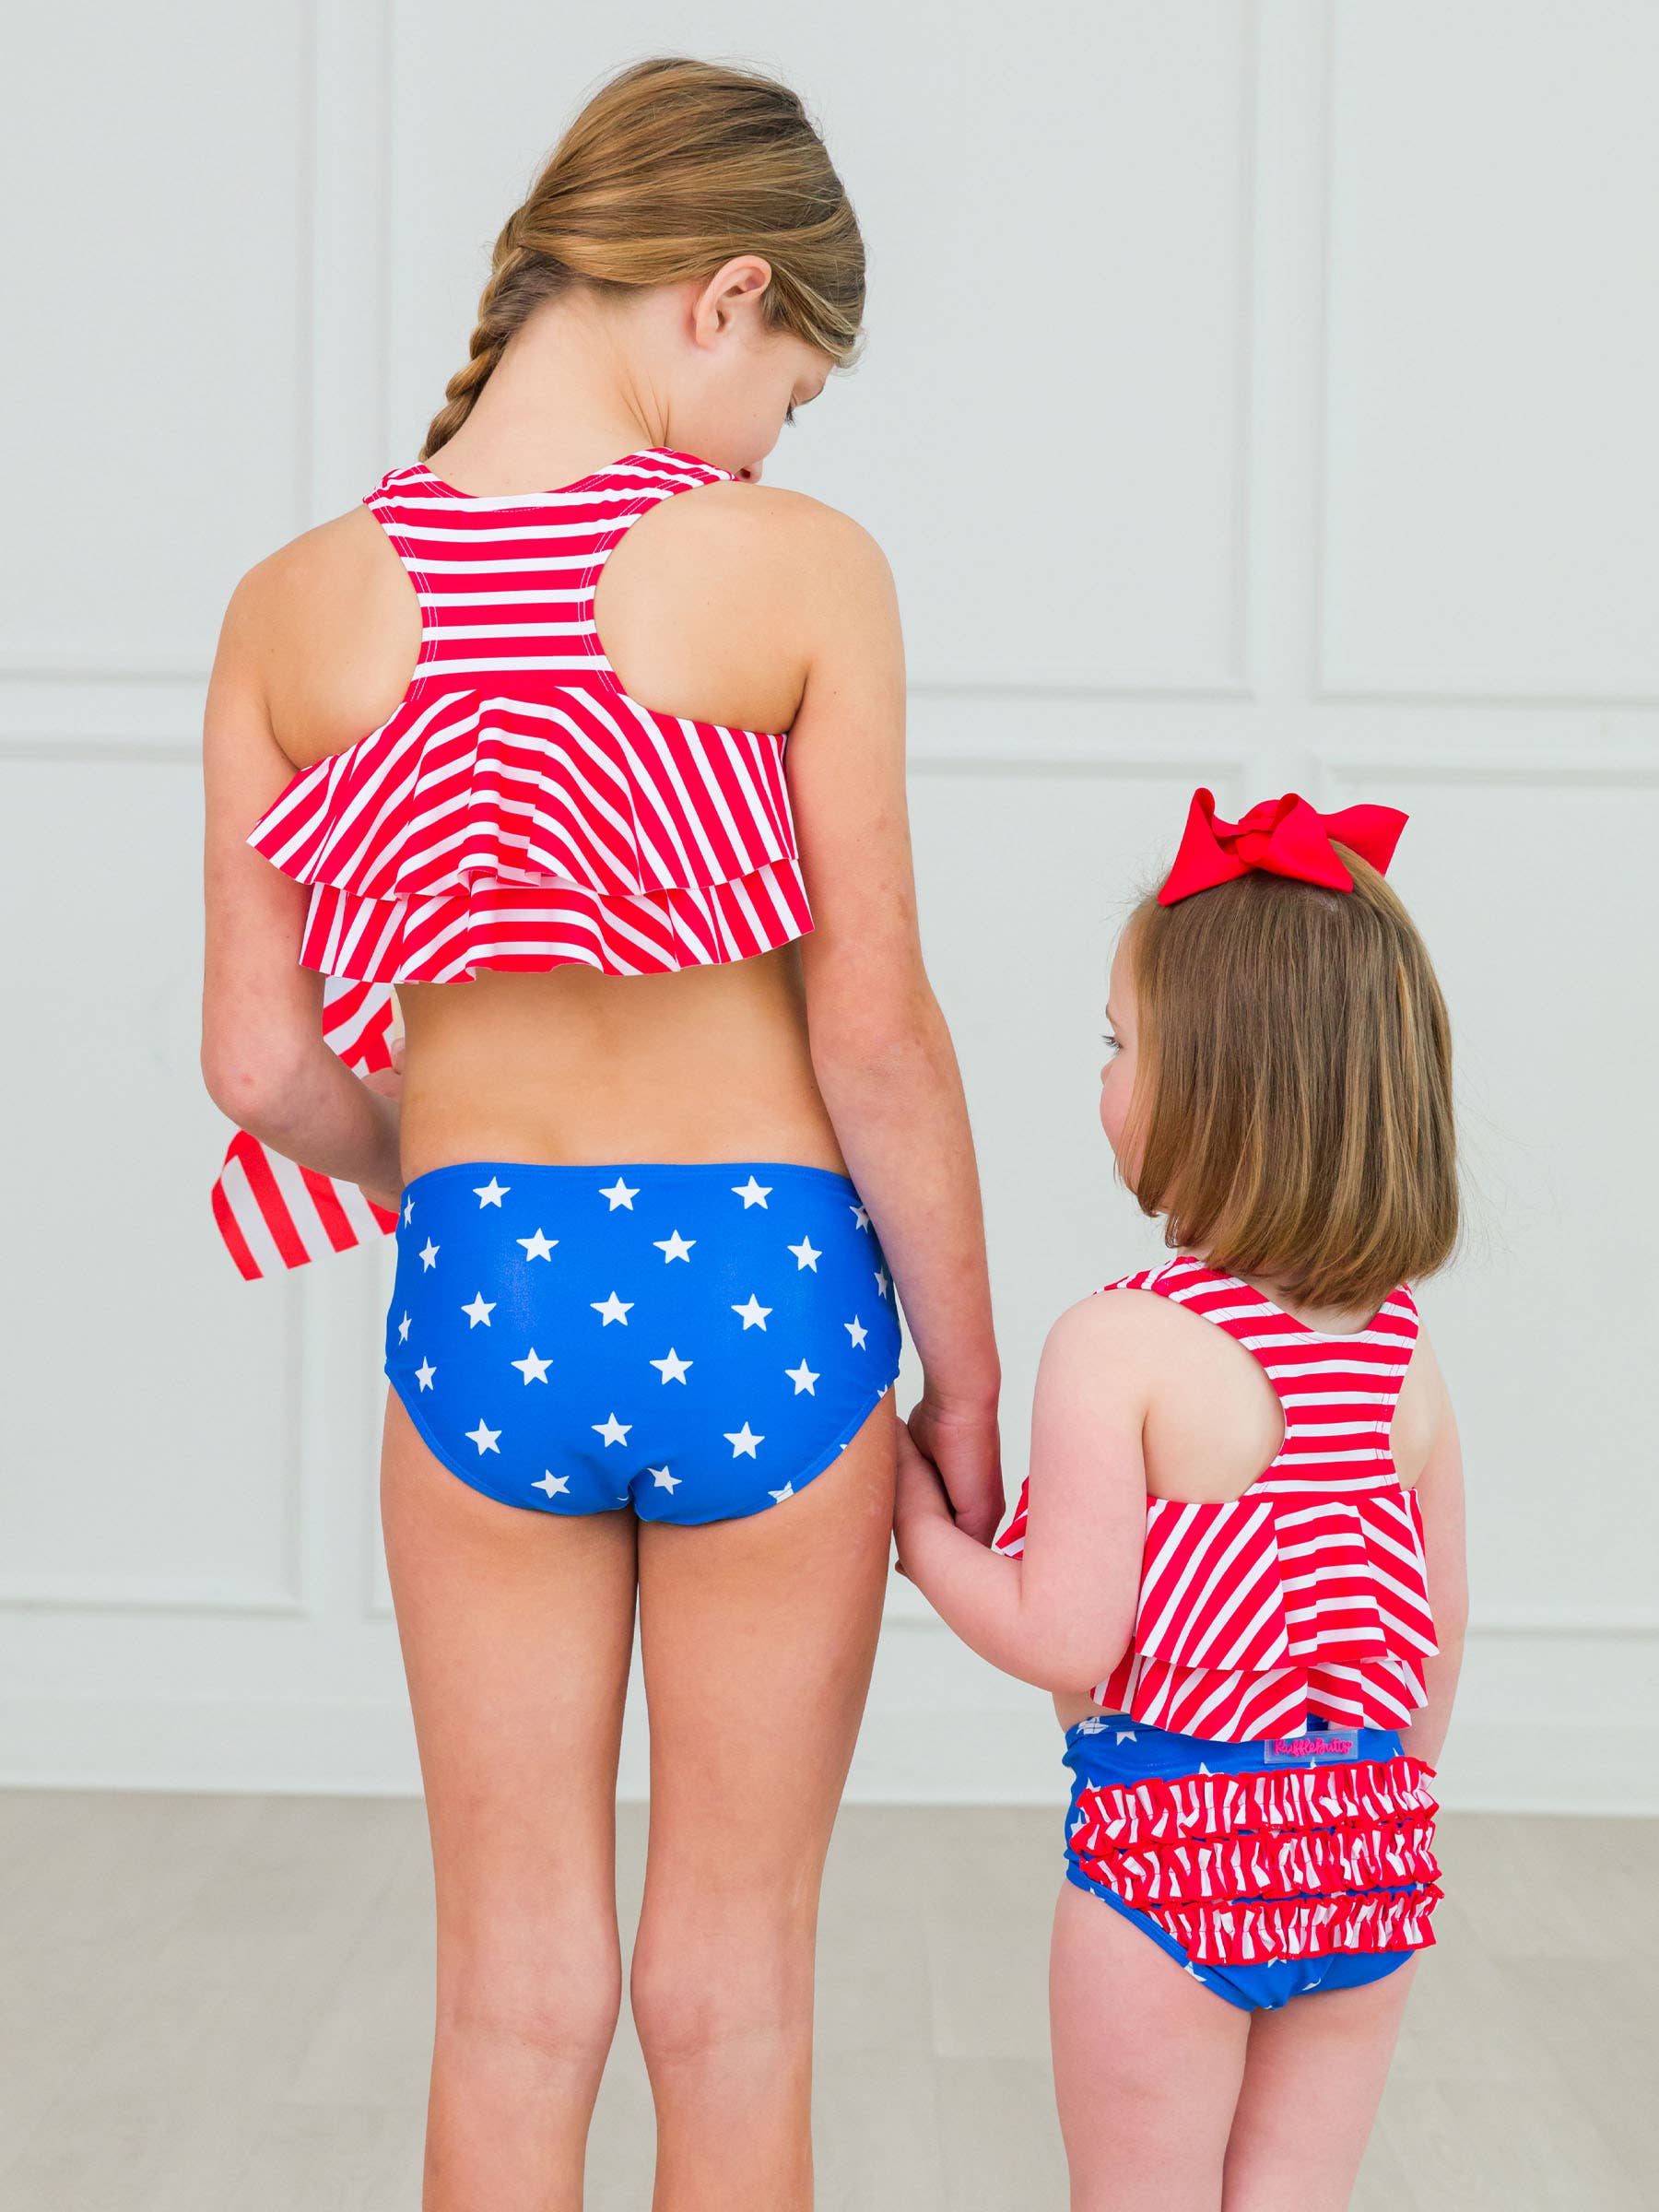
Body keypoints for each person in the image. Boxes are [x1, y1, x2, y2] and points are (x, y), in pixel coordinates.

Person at [200, 57, 1000, 2211]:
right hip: (769, 1304)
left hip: (489, 1299)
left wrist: (444, 1181)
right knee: (735, 1999)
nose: (771, 449)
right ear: (727, 295)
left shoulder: (297, 604)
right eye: (790, 397)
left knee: (508, 2000)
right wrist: (966, 1387)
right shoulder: (797, 572)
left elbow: (259, 1066)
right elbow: (881, 1040)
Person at [894, 790, 1467, 2210]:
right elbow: (1436, 1638)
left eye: (1119, 1045)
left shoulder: (1123, 1344)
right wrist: (1360, 1817)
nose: (1105, 1078)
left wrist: (918, 1534)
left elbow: (1066, 1637)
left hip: (1173, 1855)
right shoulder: (1403, 1354)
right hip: (1368, 1849)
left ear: (1209, 1091)